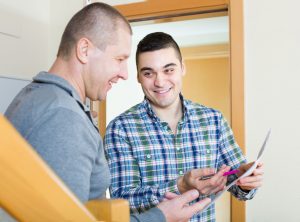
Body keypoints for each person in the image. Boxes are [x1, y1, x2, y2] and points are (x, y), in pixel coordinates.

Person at [4, 3, 211, 222]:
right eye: (120, 59)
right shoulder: (63, 116)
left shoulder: (40, 98)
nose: (124, 73)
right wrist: (160, 217)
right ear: (84, 50)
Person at [104, 32, 264, 221]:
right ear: (138, 77)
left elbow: (238, 183)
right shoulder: (120, 129)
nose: (160, 81)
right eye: (148, 73)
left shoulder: (213, 120)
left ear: (182, 68)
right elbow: (122, 201)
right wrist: (180, 186)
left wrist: (246, 181)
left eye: (168, 70)